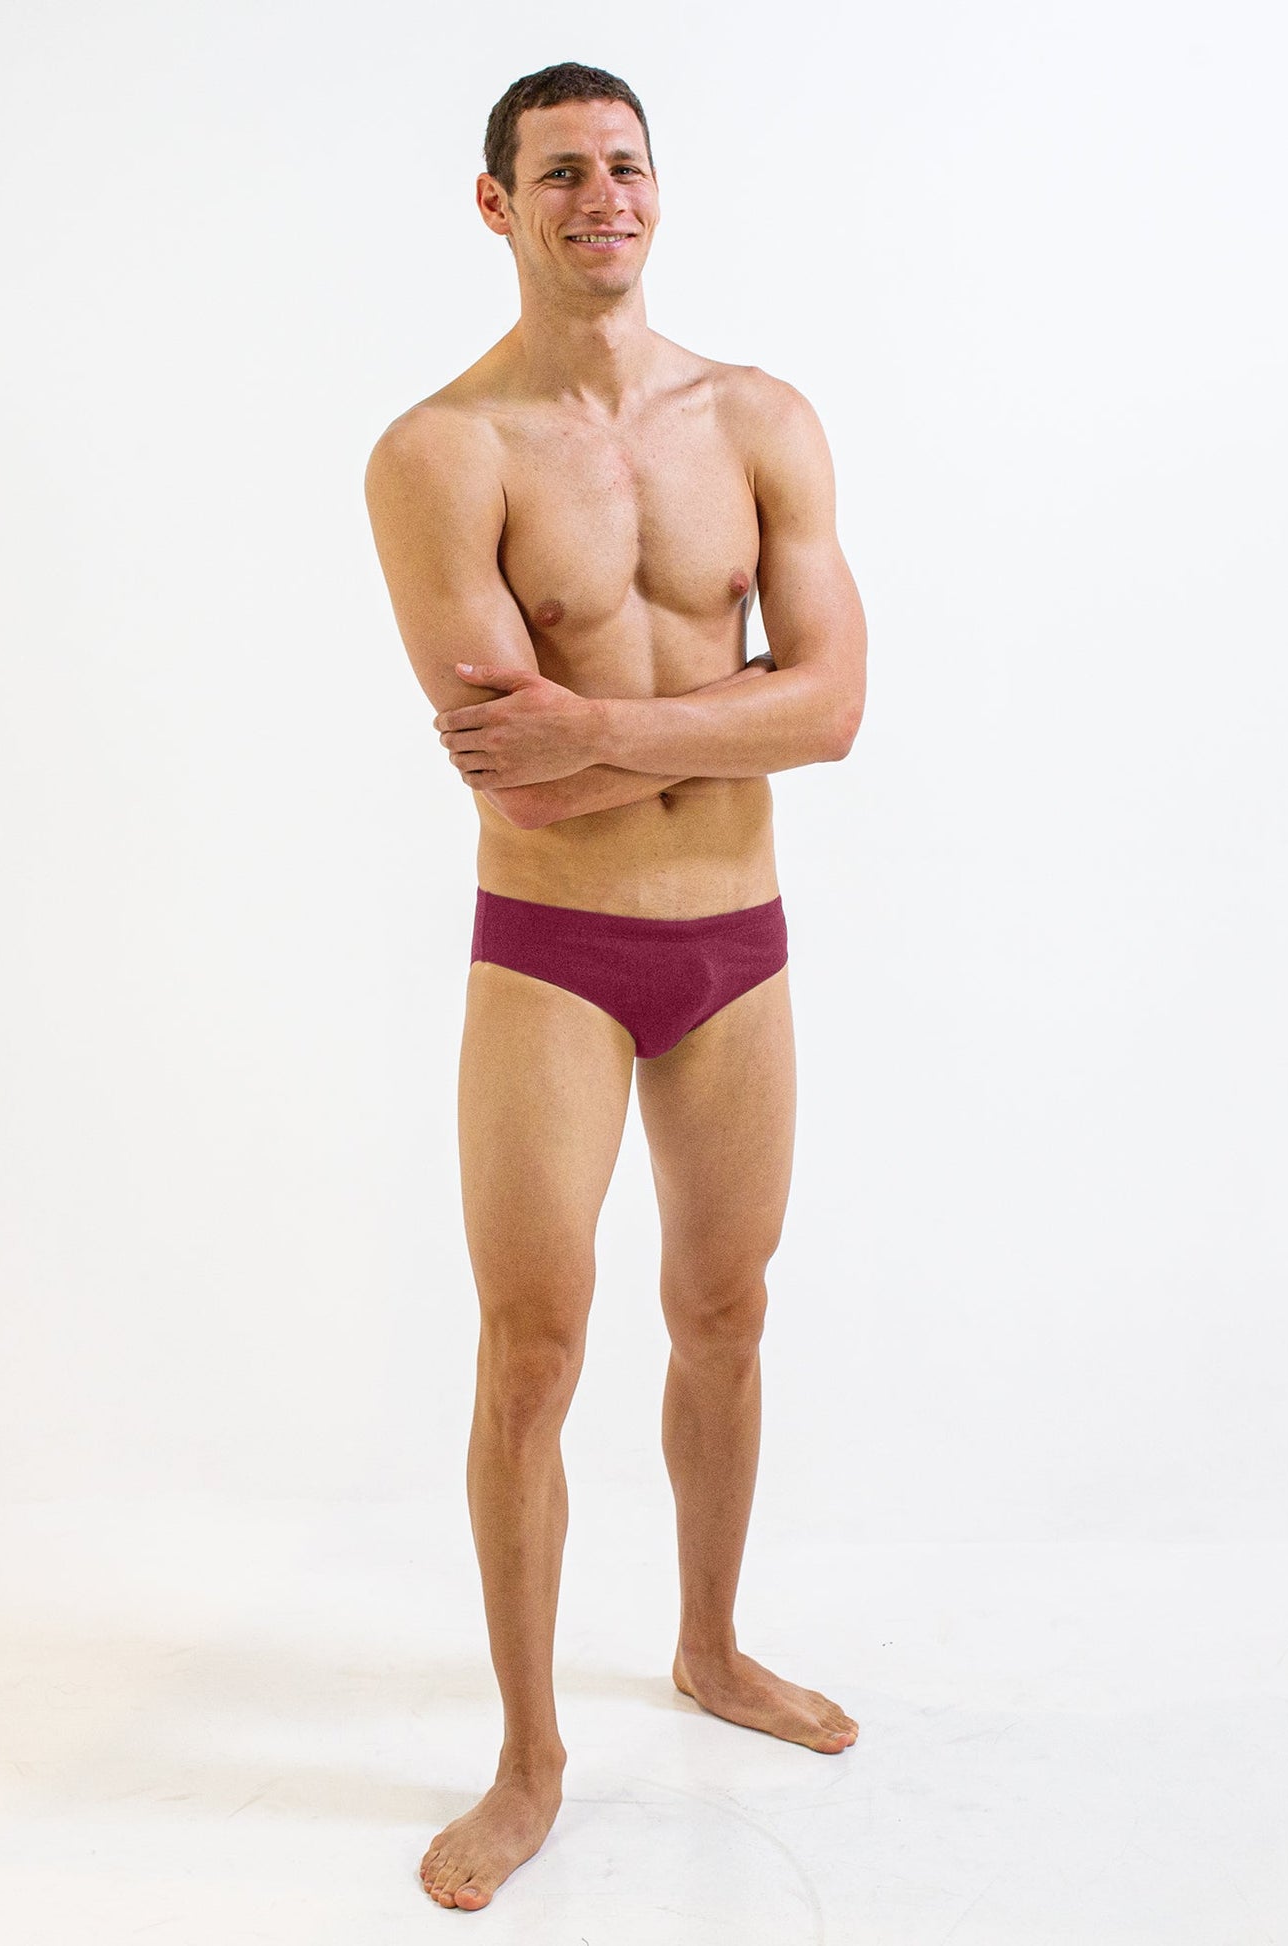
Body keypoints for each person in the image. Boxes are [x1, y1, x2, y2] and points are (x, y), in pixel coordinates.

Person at [363, 60, 868, 1913]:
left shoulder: (761, 419)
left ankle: (710, 1646)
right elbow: (524, 777)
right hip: (552, 954)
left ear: (661, 189)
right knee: (533, 1349)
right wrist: (716, 719)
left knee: (725, 1309)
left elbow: (835, 707)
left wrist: (607, 725)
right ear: (496, 203)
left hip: (735, 943)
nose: (604, 197)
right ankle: (528, 1759)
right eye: (563, 170)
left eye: (627, 165)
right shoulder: (441, 455)